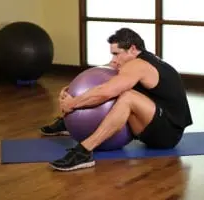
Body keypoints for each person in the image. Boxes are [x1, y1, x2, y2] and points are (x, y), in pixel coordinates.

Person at [48, 28, 193, 171]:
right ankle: (67, 124)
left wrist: (72, 103)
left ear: (132, 49)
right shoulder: (143, 58)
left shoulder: (138, 66)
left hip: (167, 134)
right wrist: (73, 89)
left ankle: (83, 152)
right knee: (120, 86)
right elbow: (105, 71)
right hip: (162, 123)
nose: (114, 59)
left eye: (117, 54)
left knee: (127, 97)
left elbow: (104, 92)